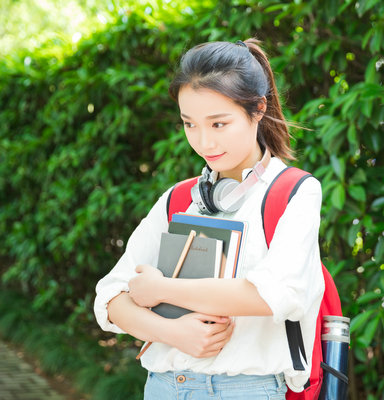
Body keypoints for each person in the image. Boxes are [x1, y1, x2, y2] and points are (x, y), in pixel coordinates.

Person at [93, 38, 325, 400]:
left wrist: (162, 290)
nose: (203, 142)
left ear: (258, 109)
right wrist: (173, 332)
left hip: (248, 390)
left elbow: (276, 294)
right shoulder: (178, 199)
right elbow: (110, 296)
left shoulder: (295, 192)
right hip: (163, 388)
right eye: (190, 124)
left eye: (218, 124)